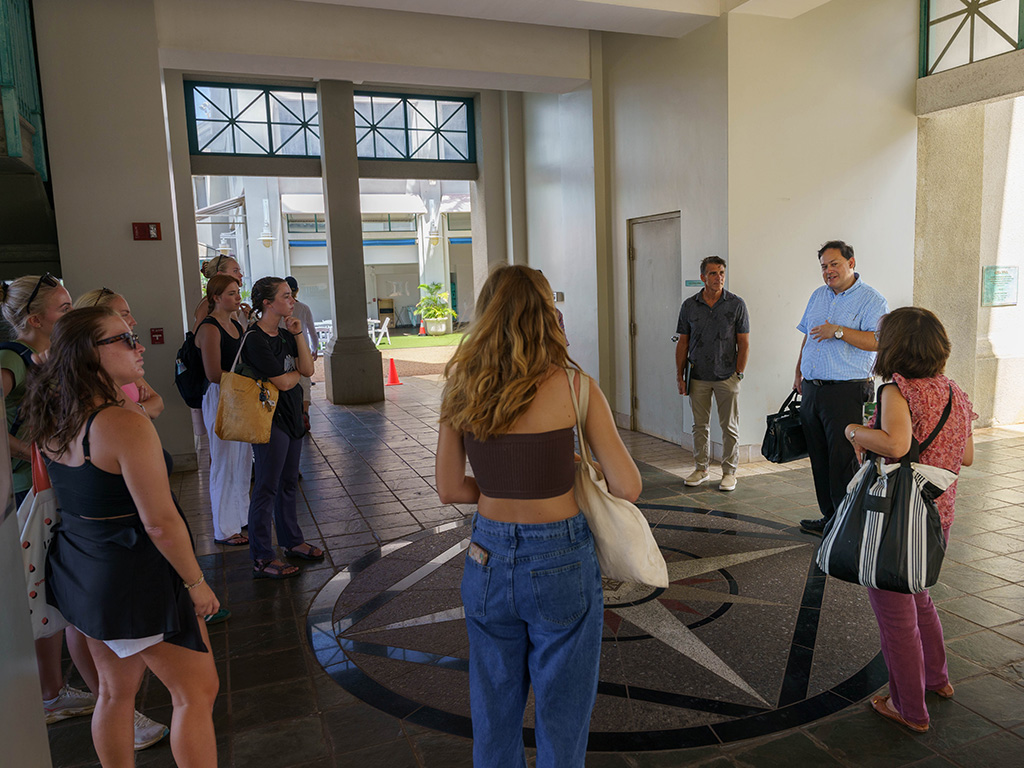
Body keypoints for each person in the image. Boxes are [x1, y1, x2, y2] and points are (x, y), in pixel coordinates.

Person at [435, 264, 642, 768]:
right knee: (563, 710)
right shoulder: (575, 387)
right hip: (561, 556)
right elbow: (627, 486)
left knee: (493, 704)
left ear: (486, 317)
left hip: (486, 555)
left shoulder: (461, 385)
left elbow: (448, 489)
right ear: (550, 315)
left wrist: (505, 483)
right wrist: (566, 470)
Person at [23, 306, 220, 766]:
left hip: (81, 568)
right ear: (88, 355)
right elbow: (160, 522)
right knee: (195, 692)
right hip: (134, 574)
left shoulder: (58, 413)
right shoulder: (122, 425)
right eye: (124, 340)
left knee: (113, 693)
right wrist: (197, 584)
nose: (139, 347)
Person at [844, 307, 975, 734]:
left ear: (895, 345)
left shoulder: (896, 391)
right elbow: (967, 455)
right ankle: (937, 680)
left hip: (899, 517)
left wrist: (854, 432)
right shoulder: (954, 390)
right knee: (919, 596)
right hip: (939, 514)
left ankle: (909, 708)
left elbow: (896, 444)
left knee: (895, 615)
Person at [794, 240, 888, 534]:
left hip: (846, 391)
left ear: (852, 263)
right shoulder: (817, 296)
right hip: (812, 388)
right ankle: (829, 517)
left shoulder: (872, 300)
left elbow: (877, 341)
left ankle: (848, 522)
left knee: (843, 459)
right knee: (819, 456)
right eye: (824, 266)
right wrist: (798, 372)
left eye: (834, 264)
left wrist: (838, 331)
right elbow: (808, 336)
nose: (828, 271)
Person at [243, 277, 319, 579]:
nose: (292, 301)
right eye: (286, 297)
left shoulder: (287, 334)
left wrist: (298, 335)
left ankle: (291, 541)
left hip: (290, 415)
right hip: (268, 418)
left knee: (289, 482)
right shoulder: (254, 339)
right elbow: (287, 380)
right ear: (268, 303)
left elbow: (309, 370)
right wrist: (293, 372)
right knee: (266, 486)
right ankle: (262, 555)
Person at [674, 256, 749, 492]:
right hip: (697, 375)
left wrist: (738, 373)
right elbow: (682, 344)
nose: (719, 278)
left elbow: (744, 343)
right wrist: (680, 376)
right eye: (713, 273)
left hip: (727, 376)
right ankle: (701, 468)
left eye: (722, 273)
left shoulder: (736, 304)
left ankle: (729, 472)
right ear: (702, 278)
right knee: (700, 426)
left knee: (729, 427)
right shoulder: (689, 306)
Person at [195, 275, 250, 547]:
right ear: (215, 297)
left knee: (241, 459)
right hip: (221, 395)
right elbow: (214, 373)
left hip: (237, 392)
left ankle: (240, 516)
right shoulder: (210, 328)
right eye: (231, 293)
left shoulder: (236, 324)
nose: (237, 296)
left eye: (237, 291)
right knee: (224, 460)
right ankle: (224, 528)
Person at [74, 288, 164, 419]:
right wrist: (140, 409)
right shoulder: (86, 383)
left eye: (132, 340)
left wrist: (138, 408)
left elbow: (158, 403)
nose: (133, 321)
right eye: (124, 314)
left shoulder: (123, 367)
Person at [284, 276, 317, 432]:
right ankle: (304, 412)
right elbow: (311, 330)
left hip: (284, 351)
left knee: (289, 383)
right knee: (305, 383)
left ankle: (293, 415)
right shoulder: (303, 308)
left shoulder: (280, 310)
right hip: (301, 349)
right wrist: (315, 348)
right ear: (297, 290)